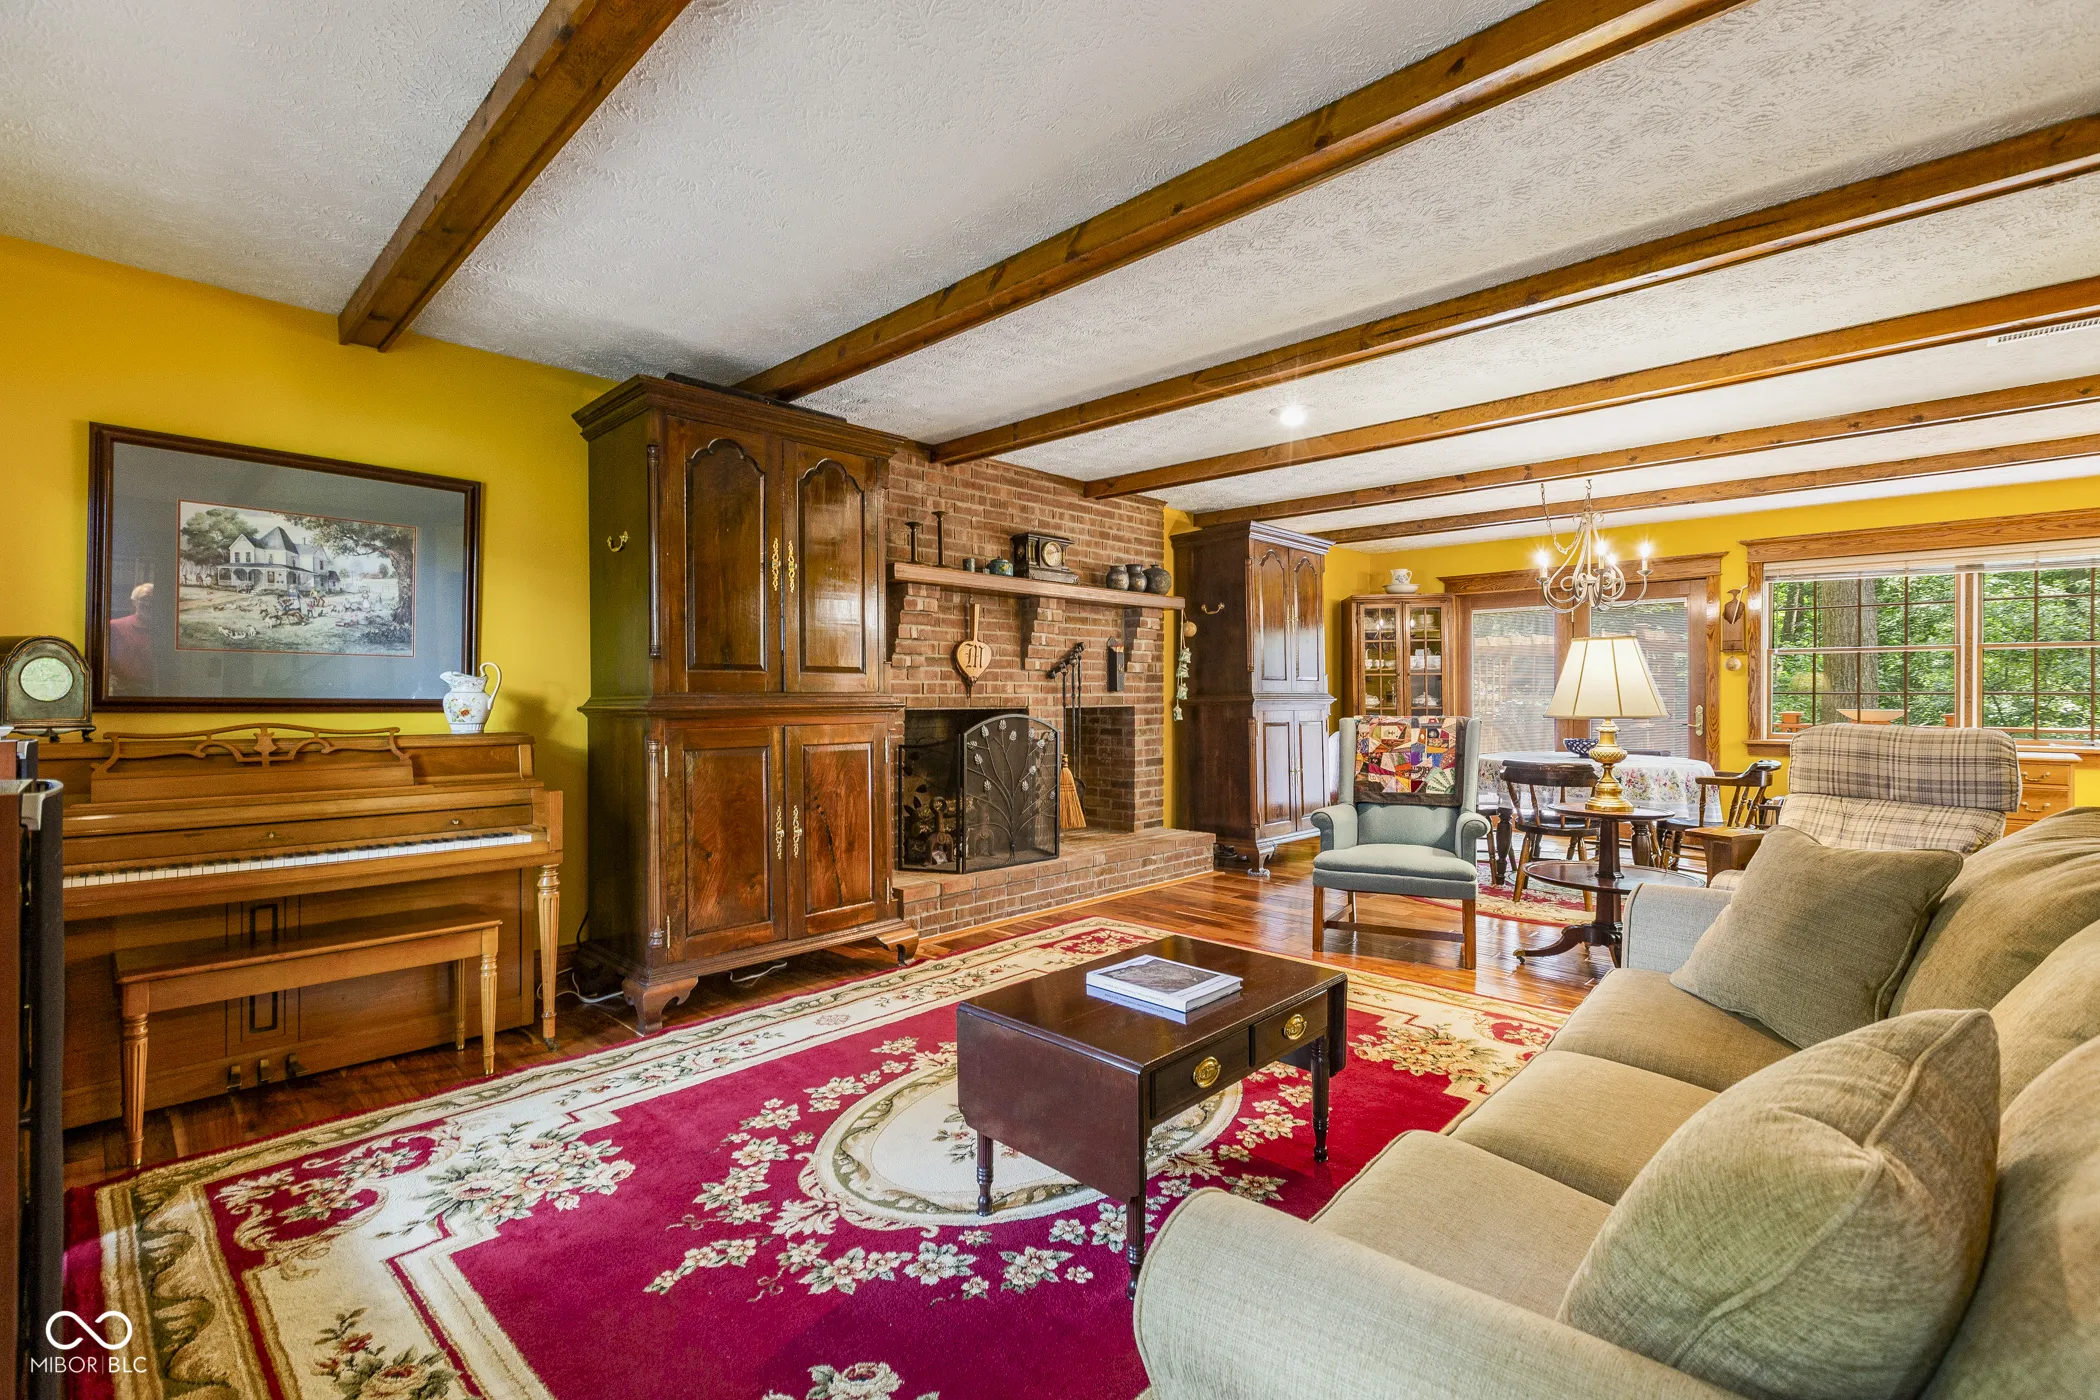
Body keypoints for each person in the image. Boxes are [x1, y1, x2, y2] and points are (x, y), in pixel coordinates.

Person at [106, 581, 159, 694]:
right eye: (144, 599)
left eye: (153, 600)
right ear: (134, 602)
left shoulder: (167, 630)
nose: (148, 604)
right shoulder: (115, 626)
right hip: (125, 693)